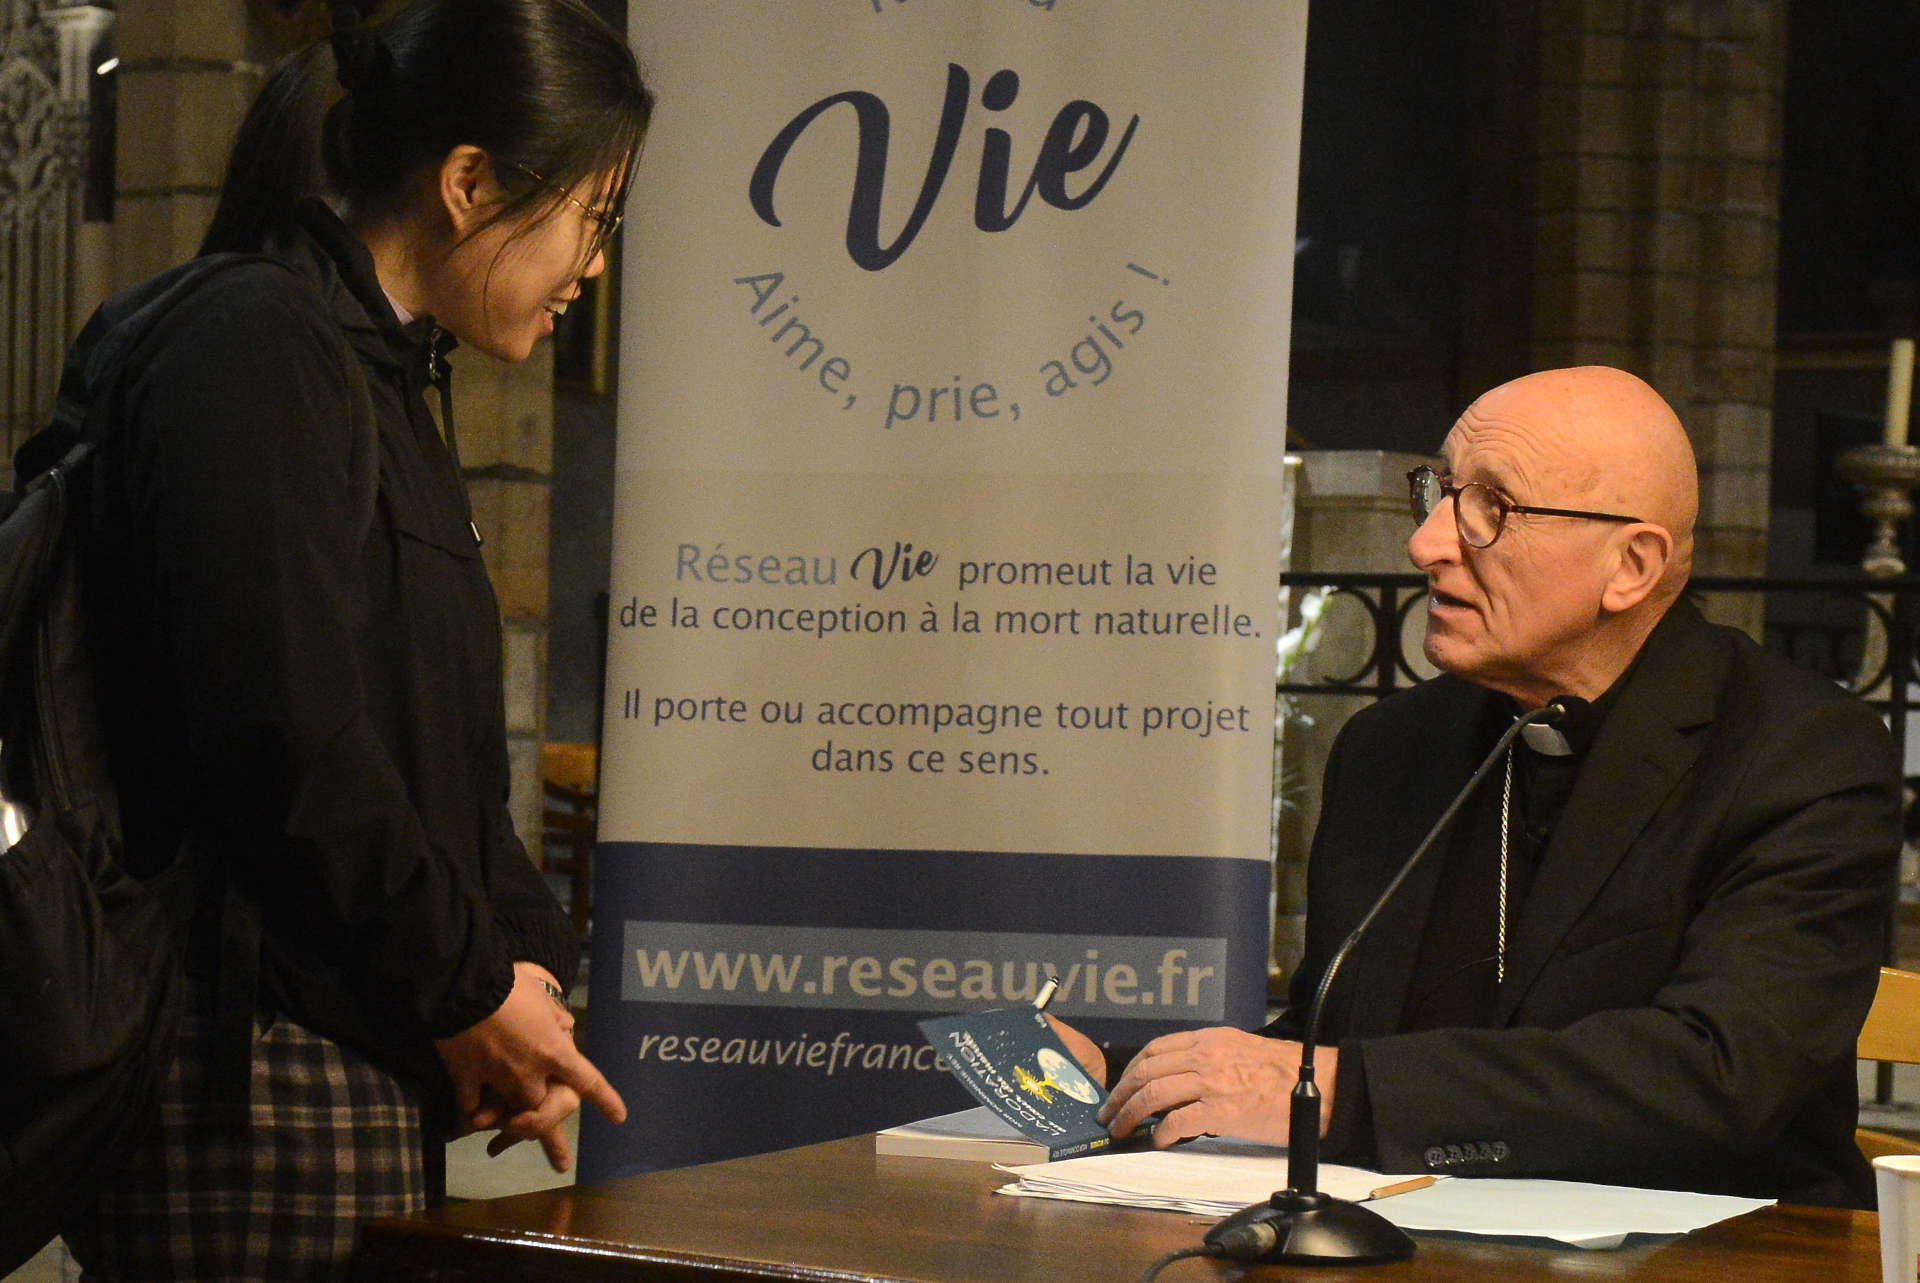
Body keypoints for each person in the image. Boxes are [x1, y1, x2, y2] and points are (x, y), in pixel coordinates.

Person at [40, 1, 653, 1276]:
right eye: (591, 218)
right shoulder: (253, 343)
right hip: (248, 1078)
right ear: (469, 182)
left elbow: (444, 774)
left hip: (356, 1056)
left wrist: (521, 975)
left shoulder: (385, 379)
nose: (596, 265)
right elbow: (287, 737)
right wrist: (470, 993)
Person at [1062, 365, 1901, 1208]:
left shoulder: (1800, 755)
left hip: (1725, 1251)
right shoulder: (1392, 749)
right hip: (1414, 1240)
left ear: (1631, 565)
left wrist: (1342, 1088)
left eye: (1491, 508)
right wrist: (1133, 1073)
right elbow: (1331, 1046)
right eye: (1438, 490)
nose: (1426, 541)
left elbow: (1715, 1075)